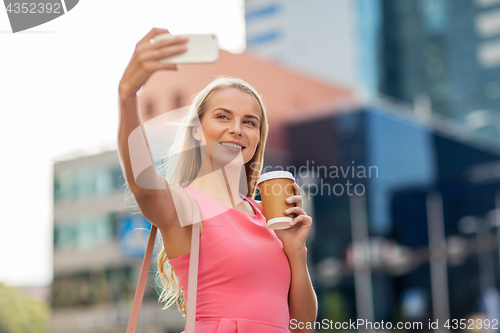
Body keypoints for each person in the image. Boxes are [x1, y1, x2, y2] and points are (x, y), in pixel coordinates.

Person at [118, 27, 317, 333]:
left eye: (249, 122)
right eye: (223, 117)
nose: (236, 129)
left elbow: (301, 326)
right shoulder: (185, 205)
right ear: (197, 130)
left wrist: (296, 251)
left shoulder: (269, 217)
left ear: (257, 138)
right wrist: (128, 95)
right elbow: (142, 182)